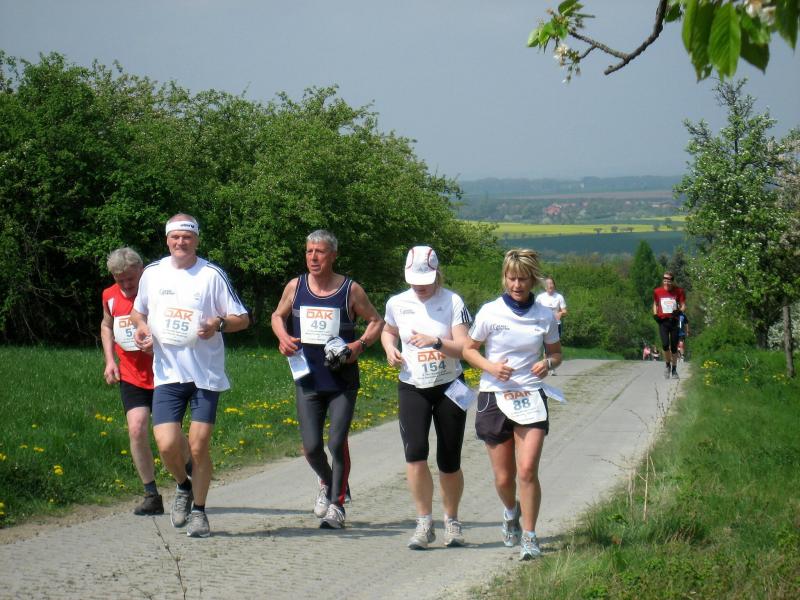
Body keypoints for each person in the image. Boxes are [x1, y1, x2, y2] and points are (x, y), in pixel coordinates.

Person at [130, 214, 249, 538]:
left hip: (204, 376)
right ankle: (183, 485)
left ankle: (200, 511)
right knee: (167, 444)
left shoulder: (211, 275)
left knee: (197, 446)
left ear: (196, 240)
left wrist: (218, 324)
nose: (181, 242)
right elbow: (138, 312)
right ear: (167, 240)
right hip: (167, 373)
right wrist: (142, 330)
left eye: (187, 237)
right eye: (175, 237)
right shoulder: (153, 273)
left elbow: (242, 318)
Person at [271, 230, 384, 529]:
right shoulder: (296, 286)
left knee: (336, 442)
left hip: (341, 381)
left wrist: (358, 346)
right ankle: (327, 480)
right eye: (309, 251)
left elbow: (376, 321)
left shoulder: (350, 290)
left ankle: (337, 505)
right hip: (307, 379)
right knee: (310, 447)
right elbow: (277, 316)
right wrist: (283, 337)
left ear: (333, 255)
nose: (313, 257)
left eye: (319, 252)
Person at [463, 249, 562, 561]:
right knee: (504, 478)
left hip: (530, 395)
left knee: (527, 469)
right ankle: (510, 512)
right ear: (504, 278)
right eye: (511, 278)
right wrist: (491, 367)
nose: (517, 285)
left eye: (522, 279)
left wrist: (548, 363)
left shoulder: (544, 314)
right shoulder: (490, 312)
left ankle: (530, 537)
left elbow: (556, 353)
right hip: (494, 395)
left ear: (533, 280)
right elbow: (468, 349)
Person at [381, 246, 472, 550]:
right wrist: (390, 348)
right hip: (412, 385)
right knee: (415, 452)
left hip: (449, 386)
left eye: (425, 280)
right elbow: (388, 331)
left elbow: (464, 348)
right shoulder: (397, 302)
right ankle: (424, 522)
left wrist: (436, 341)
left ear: (436, 274)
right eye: (414, 280)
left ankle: (452, 521)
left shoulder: (452, 301)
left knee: (449, 458)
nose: (419, 286)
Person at [102, 247, 188, 515]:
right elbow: (106, 325)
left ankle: (189, 475)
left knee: (170, 435)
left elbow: (179, 325)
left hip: (164, 374)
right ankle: (151, 495)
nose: (126, 285)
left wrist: (158, 345)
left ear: (141, 270)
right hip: (131, 376)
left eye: (131, 279)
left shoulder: (159, 293)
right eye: (120, 280)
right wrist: (110, 361)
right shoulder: (109, 296)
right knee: (137, 429)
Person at [652, 271, 686, 379]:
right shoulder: (657, 291)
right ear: (663, 280)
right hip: (663, 321)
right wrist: (655, 314)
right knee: (665, 345)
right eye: (665, 280)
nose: (666, 282)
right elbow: (655, 304)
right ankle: (667, 365)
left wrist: (679, 311)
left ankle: (674, 370)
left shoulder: (679, 291)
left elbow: (683, 305)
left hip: (674, 321)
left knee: (674, 347)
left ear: (672, 281)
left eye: (669, 280)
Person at [535, 278, 567, 375]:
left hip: (556, 324)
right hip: (542, 325)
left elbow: (565, 311)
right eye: (548, 284)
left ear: (554, 285)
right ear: (545, 287)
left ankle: (551, 367)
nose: (550, 285)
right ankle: (544, 366)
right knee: (545, 347)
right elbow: (534, 309)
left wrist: (560, 313)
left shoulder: (559, 297)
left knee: (551, 347)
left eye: (551, 283)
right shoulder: (540, 297)